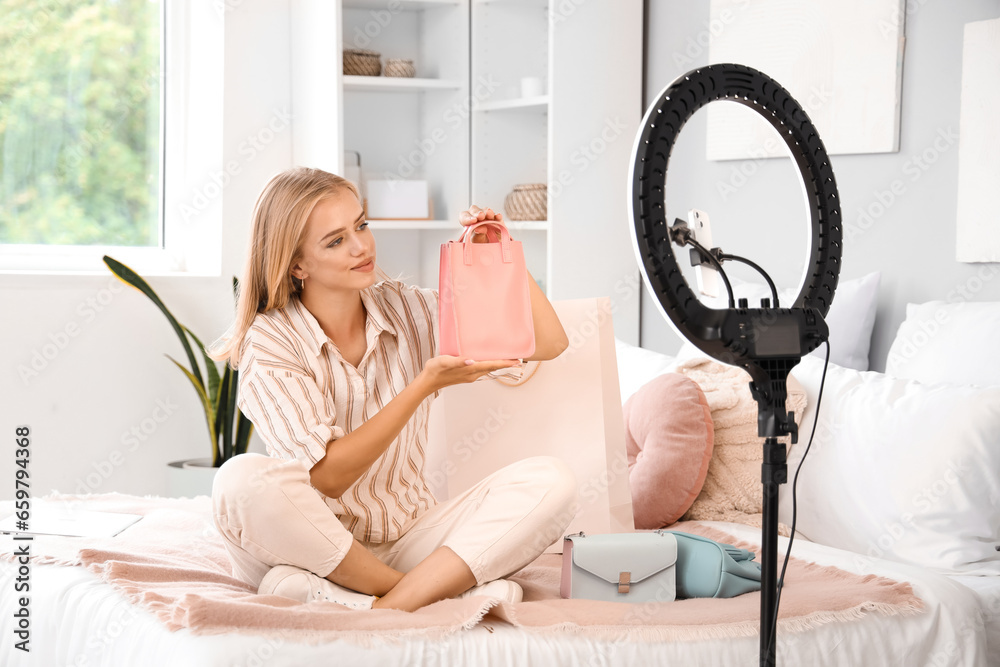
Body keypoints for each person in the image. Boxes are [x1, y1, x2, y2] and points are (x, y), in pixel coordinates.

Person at [207, 166, 577, 612]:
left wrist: (500, 252)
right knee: (239, 481)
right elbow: (328, 474)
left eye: (361, 224)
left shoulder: (407, 308)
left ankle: (369, 603)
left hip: (407, 535)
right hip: (311, 546)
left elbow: (550, 342)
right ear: (297, 263)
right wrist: (422, 387)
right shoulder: (270, 342)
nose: (362, 246)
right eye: (336, 240)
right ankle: (418, 592)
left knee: (551, 481)